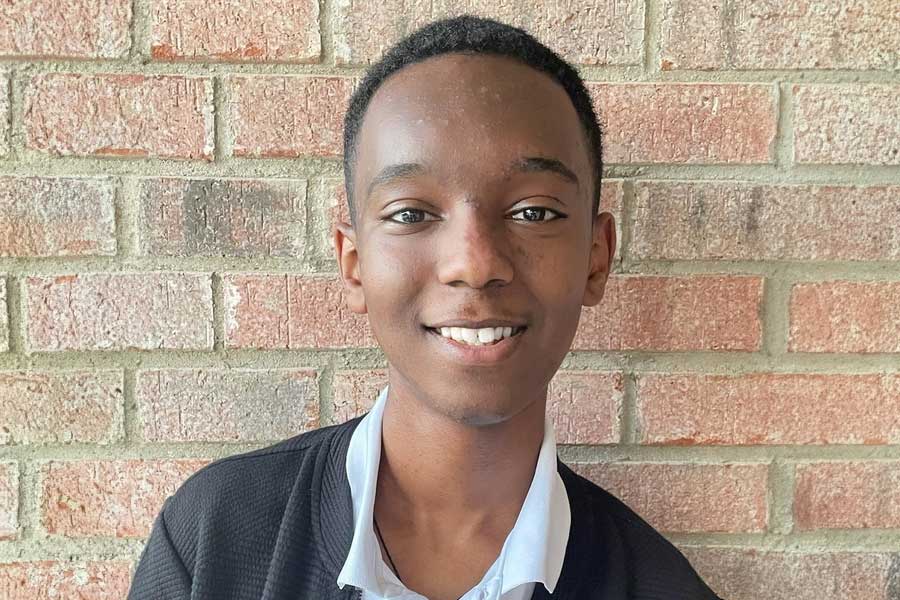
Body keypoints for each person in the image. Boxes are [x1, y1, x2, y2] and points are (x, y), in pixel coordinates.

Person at [127, 15, 722, 600]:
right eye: (411, 213)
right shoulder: (216, 540)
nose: (475, 262)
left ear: (595, 259)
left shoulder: (661, 585)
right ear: (354, 263)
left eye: (534, 211)